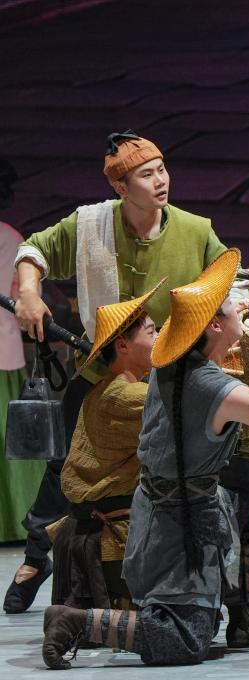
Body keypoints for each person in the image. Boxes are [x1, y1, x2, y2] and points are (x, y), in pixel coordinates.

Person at [40, 249, 249, 668]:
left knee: (227, 531)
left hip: (166, 509)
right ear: (214, 324)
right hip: (179, 522)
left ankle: (241, 618)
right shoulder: (212, 387)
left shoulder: (171, 365)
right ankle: (77, 622)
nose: (241, 308)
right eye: (232, 306)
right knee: (184, 640)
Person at [6, 131, 227, 614]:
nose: (161, 180)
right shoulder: (92, 224)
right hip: (102, 372)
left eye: (162, 169)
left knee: (199, 471)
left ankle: (218, 590)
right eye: (147, 174)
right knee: (66, 464)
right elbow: (34, 252)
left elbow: (225, 284)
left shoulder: (195, 231)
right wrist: (29, 293)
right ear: (121, 188)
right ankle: (38, 557)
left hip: (171, 375)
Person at [48, 281, 163, 612]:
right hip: (113, 537)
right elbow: (188, 405)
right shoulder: (127, 395)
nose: (159, 338)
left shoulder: (103, 388)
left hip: (92, 531)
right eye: (152, 332)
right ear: (123, 345)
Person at [0, 157, 46, 547]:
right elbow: (21, 299)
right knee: (11, 442)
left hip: (3, 350)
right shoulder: (11, 237)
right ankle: (18, 521)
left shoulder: (11, 238)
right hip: (4, 349)